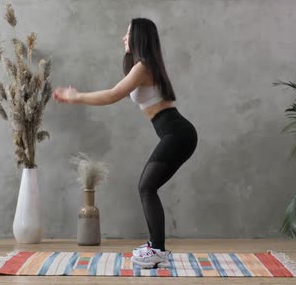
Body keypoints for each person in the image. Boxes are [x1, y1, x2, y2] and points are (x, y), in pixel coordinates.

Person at [53, 18, 198, 269]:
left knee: (146, 186)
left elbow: (112, 95)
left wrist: (76, 97)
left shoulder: (144, 66)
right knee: (147, 186)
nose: (123, 37)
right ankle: (157, 246)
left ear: (139, 37)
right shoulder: (143, 66)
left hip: (178, 134)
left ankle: (158, 249)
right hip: (176, 134)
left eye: (128, 33)